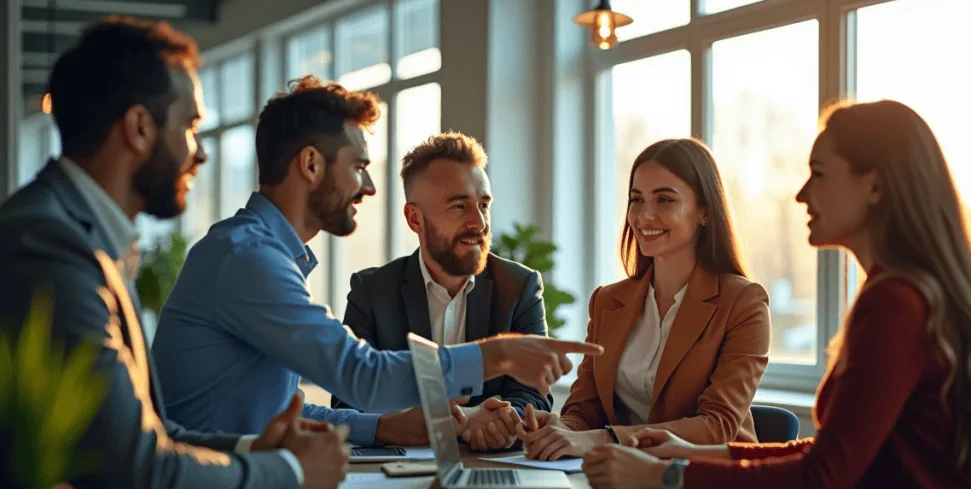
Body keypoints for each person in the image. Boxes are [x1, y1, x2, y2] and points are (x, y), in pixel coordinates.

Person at [582, 100, 971, 489]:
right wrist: (687, 451)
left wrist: (664, 475)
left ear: (874, 184)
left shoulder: (896, 302)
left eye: (819, 173)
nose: (801, 194)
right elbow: (827, 453)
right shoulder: (902, 292)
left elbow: (820, 479)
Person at [0, 19, 351, 489]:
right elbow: (147, 478)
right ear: (139, 127)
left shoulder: (80, 237)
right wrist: (286, 472)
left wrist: (255, 450)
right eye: (189, 126)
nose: (199, 153)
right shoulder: (50, 245)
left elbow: (151, 436)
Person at [151, 77, 602, 447]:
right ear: (311, 164)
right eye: (359, 165)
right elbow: (362, 377)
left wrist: (386, 427)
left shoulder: (263, 255)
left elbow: (282, 407)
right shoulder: (249, 260)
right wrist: (500, 354)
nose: (367, 186)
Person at [518, 138, 770, 460]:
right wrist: (559, 428)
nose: (644, 215)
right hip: (621, 478)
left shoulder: (743, 302)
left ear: (704, 212)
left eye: (664, 200)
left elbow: (716, 426)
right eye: (636, 200)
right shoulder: (608, 301)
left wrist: (604, 439)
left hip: (704, 480)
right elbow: (585, 410)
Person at [335, 132, 551, 451]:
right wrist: (459, 419)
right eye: (459, 207)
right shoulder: (371, 291)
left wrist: (501, 421)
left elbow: (536, 395)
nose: (479, 223)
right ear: (415, 218)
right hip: (398, 467)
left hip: (490, 463)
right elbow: (347, 401)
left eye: (484, 205)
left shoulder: (519, 286)